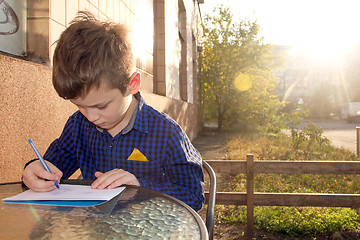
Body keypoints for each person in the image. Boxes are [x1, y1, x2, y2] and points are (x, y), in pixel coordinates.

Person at [22, 11, 205, 211]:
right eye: (80, 106)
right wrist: (35, 171)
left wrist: (142, 187)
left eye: (101, 106)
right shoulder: (78, 126)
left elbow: (193, 196)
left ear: (132, 84)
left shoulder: (167, 134)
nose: (91, 117)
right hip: (96, 227)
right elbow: (52, 166)